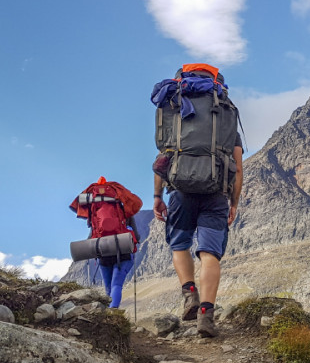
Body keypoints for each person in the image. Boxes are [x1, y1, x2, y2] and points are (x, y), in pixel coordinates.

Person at [153, 144, 242, 337]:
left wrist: (157, 196)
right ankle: (205, 316)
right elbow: (238, 168)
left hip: (181, 192)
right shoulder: (226, 117)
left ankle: (190, 296)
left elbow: (161, 162)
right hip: (216, 195)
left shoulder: (176, 117)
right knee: (209, 253)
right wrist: (234, 203)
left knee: (179, 245)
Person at [70, 177, 142, 309]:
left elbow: (92, 234)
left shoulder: (94, 212)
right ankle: (113, 311)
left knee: (108, 287)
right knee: (117, 285)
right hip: (123, 250)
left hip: (103, 252)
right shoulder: (123, 210)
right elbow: (136, 235)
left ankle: (110, 314)